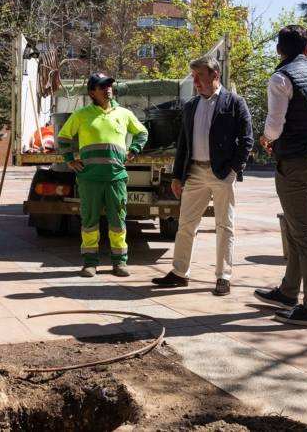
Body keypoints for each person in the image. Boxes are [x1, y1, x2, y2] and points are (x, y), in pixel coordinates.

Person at [254, 25, 307, 328]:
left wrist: (267, 139)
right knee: (296, 226)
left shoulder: (281, 77)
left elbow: (274, 126)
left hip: (297, 162)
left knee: (305, 235)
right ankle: (288, 294)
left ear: (279, 50)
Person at [152, 55, 253, 296]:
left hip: (222, 174)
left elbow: (247, 140)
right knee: (185, 224)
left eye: (200, 76)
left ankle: (223, 277)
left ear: (215, 75)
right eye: (194, 76)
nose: (195, 81)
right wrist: (177, 176)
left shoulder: (235, 102)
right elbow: (183, 143)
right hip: (194, 172)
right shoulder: (190, 106)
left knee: (224, 226)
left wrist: (233, 171)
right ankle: (179, 272)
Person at [58, 73, 148, 278]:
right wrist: (69, 160)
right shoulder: (81, 115)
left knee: (118, 221)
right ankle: (90, 263)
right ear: (92, 92)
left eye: (109, 85)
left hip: (116, 177)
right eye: (102, 86)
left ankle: (120, 263)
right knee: (89, 221)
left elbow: (142, 132)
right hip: (89, 178)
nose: (108, 89)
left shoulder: (124, 114)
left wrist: (134, 148)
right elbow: (63, 136)